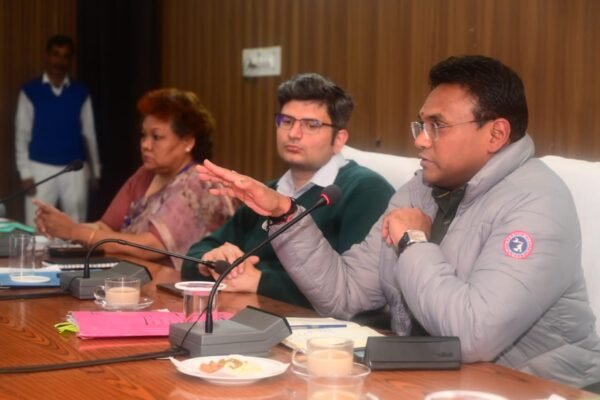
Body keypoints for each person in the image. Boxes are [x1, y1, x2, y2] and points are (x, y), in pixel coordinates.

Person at [195, 56, 600, 387]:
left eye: (437, 126)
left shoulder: (538, 203)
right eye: (421, 124)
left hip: (542, 387)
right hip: (431, 379)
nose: (420, 139)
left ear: (495, 135)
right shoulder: (419, 188)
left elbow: (472, 336)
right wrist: (285, 212)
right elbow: (345, 295)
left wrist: (414, 242)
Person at [181, 73, 395, 307]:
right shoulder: (269, 192)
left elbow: (357, 291)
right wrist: (210, 260)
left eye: (311, 125)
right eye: (286, 121)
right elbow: (194, 255)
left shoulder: (366, 191)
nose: (293, 133)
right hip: (249, 314)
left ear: (339, 139)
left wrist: (260, 281)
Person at [34, 88, 235, 269]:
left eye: (156, 137)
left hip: (181, 289)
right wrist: (59, 224)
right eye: (143, 135)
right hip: (132, 277)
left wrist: (74, 232)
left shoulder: (199, 183)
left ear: (188, 141)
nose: (145, 145)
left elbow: (151, 246)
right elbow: (105, 227)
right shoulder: (146, 174)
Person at [15, 34, 101, 227]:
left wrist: (95, 172)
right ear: (47, 56)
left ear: (70, 60)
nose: (60, 61)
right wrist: (24, 173)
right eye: (56, 55)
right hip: (39, 167)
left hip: (75, 169)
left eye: (65, 56)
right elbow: (22, 135)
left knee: (76, 226)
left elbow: (89, 135)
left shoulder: (81, 92)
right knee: (36, 226)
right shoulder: (30, 91)